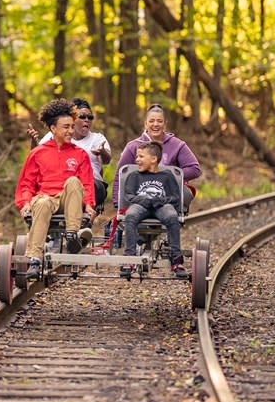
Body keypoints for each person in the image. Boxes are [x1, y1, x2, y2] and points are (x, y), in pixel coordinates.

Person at [15, 98, 96, 278]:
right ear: (53, 129)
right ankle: (34, 261)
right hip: (45, 199)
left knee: (74, 181)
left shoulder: (80, 154)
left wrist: (89, 205)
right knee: (43, 203)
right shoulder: (38, 153)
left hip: (69, 200)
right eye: (65, 127)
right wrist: (25, 203)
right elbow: (26, 183)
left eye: (71, 126)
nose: (70, 131)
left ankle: (72, 236)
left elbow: (87, 184)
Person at [111, 103, 201, 211]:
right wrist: (117, 203)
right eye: (151, 121)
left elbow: (195, 169)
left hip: (168, 193)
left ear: (165, 125)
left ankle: (171, 220)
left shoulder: (177, 145)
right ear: (145, 124)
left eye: (159, 121)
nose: (155, 124)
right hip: (140, 192)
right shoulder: (133, 146)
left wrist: (168, 175)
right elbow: (120, 174)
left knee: (186, 193)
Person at [27, 97, 112, 210]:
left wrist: (102, 152)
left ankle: (83, 220)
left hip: (91, 183)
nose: (87, 120)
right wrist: (34, 141)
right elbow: (37, 156)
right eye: (82, 116)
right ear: (73, 118)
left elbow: (107, 161)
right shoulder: (55, 134)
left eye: (90, 117)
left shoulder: (97, 138)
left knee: (83, 186)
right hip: (60, 182)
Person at [119, 141, 187, 279]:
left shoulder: (167, 176)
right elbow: (129, 195)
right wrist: (144, 200)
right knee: (131, 215)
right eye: (137, 157)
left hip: (161, 206)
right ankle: (130, 257)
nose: (137, 160)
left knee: (171, 215)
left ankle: (176, 260)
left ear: (154, 159)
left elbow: (175, 197)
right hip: (141, 205)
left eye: (141, 157)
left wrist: (158, 201)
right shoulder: (134, 176)